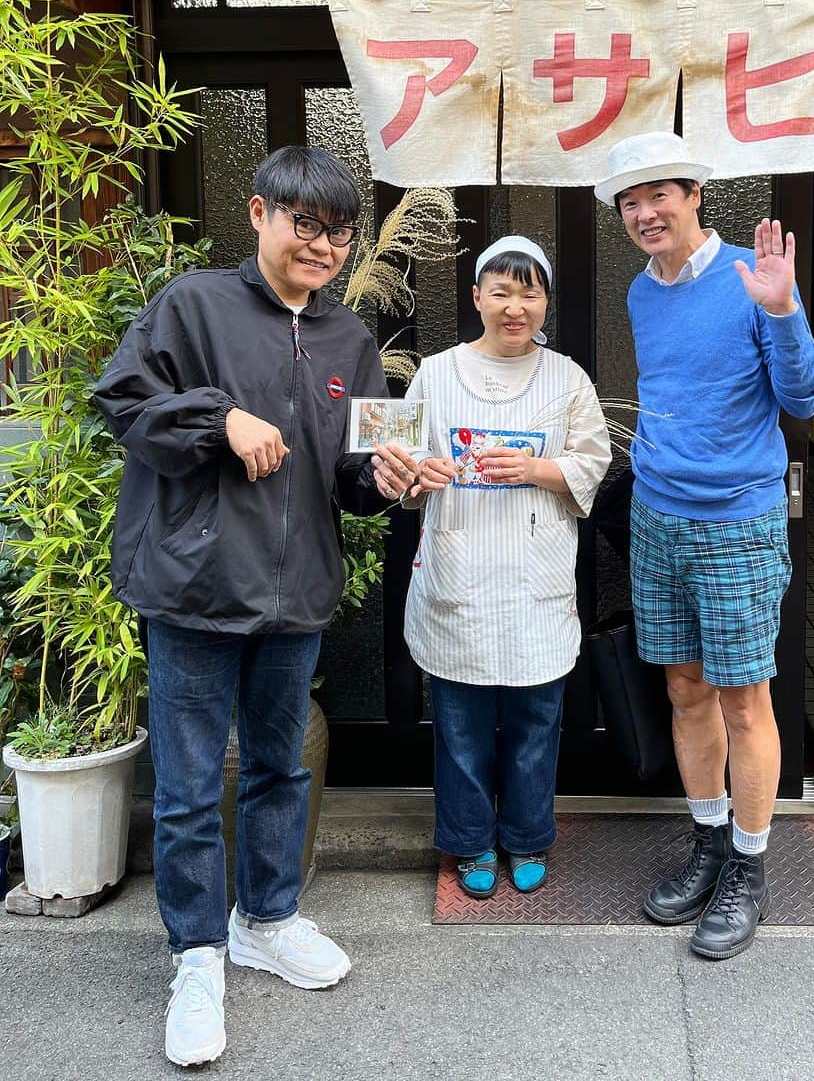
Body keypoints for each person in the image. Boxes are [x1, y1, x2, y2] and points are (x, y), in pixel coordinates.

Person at [93, 146, 418, 1067]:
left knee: (279, 770)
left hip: (296, 594)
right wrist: (217, 417)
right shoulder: (193, 305)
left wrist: (389, 478)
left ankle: (266, 919)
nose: (322, 244)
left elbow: (357, 479)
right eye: (304, 222)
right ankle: (196, 956)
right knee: (192, 788)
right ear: (260, 215)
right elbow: (121, 398)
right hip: (193, 589)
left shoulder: (351, 341)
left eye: (339, 230)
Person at [594, 131, 814, 961]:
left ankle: (751, 869)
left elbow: (805, 394)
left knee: (743, 699)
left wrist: (782, 311)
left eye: (658, 194)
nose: (644, 212)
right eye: (629, 201)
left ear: (695, 193)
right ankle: (708, 842)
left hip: (737, 519)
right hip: (659, 515)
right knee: (685, 689)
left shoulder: (746, 282)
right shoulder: (641, 291)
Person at [402, 237, 611, 898]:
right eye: (500, 291)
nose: (514, 306)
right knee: (460, 727)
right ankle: (469, 844)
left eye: (528, 292)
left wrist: (538, 468)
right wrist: (417, 474)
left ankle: (526, 836)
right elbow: (398, 469)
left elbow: (594, 462)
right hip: (458, 577)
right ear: (476, 299)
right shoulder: (435, 373)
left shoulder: (568, 378)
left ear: (545, 301)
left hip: (535, 583)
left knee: (533, 725)